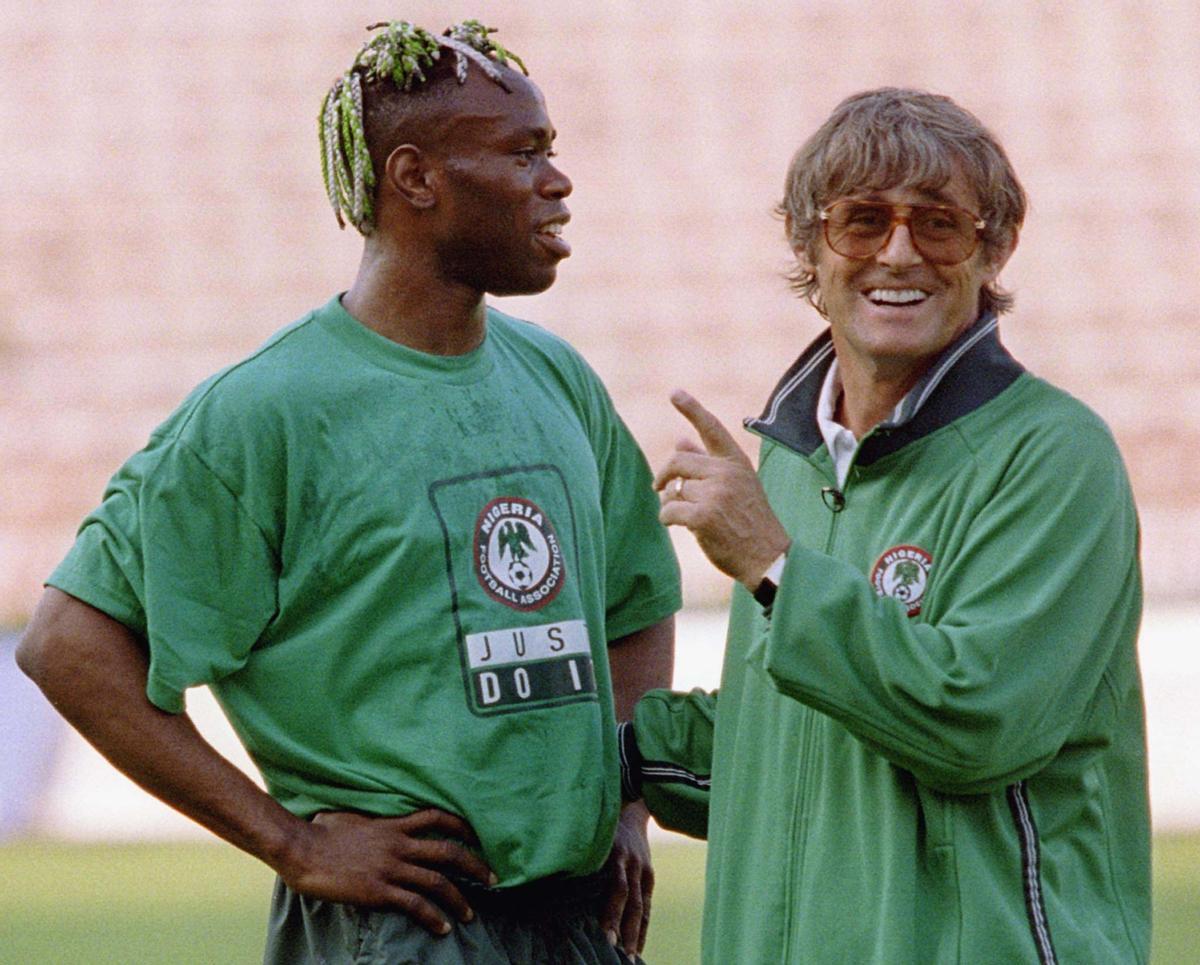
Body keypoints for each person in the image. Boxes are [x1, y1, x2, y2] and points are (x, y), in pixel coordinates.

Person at [17, 19, 680, 965]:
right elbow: (66, 644)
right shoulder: (267, 410)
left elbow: (634, 602)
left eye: (552, 152)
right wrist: (294, 843)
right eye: (523, 153)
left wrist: (624, 801)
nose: (557, 181)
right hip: (408, 926)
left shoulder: (557, 378)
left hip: (579, 919)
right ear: (416, 179)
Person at [620, 88, 1149, 963]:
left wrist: (776, 569)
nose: (898, 253)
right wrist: (598, 752)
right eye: (861, 221)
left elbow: (975, 720)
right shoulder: (788, 464)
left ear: (996, 247)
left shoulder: (1055, 456)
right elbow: (790, 751)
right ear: (807, 245)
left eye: (938, 223)